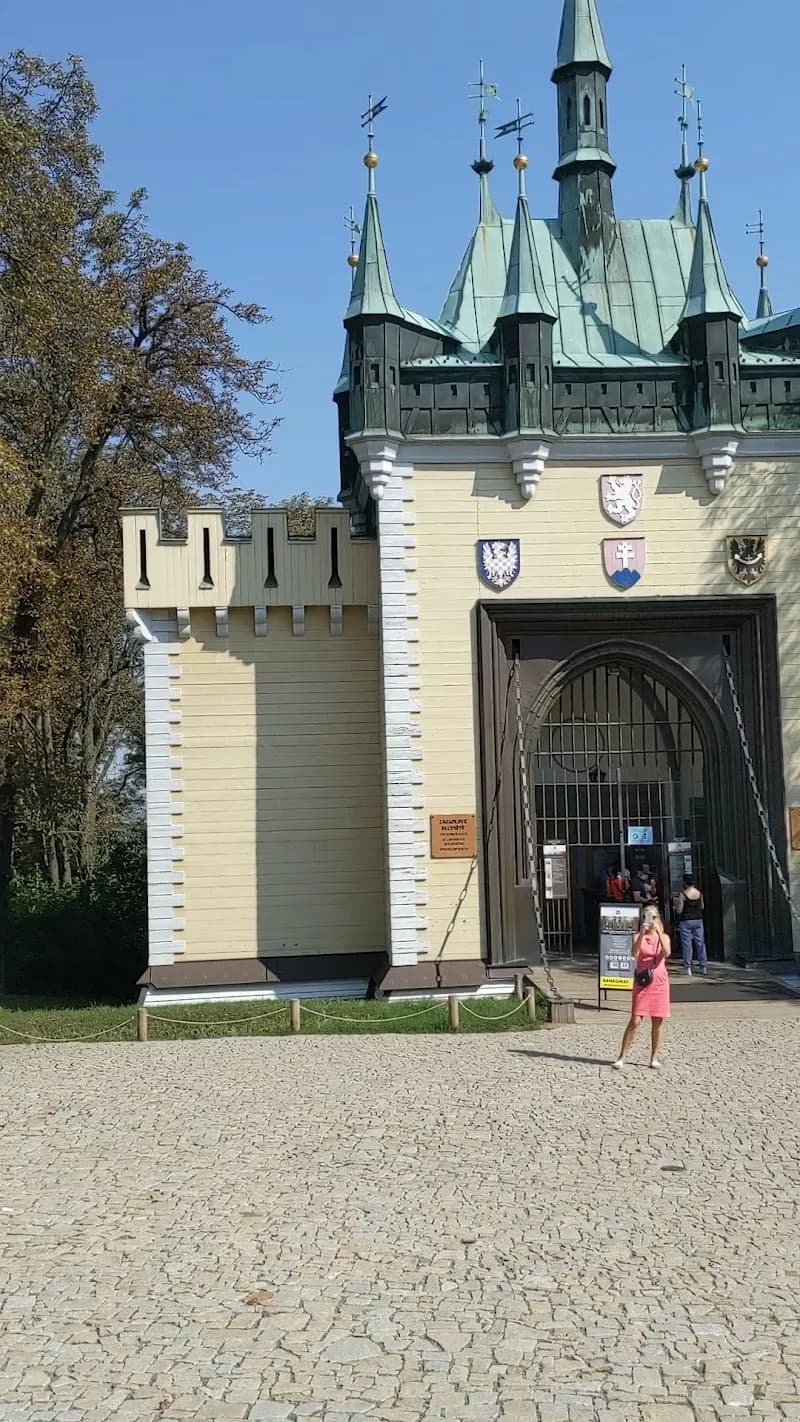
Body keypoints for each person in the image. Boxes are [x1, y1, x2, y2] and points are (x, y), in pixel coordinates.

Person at [613, 907, 672, 1070]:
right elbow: (635, 953)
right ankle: (621, 1056)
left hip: (659, 982)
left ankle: (654, 1057)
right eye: (647, 916)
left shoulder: (664, 937)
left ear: (658, 918)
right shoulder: (638, 936)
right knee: (636, 1020)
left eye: (654, 916)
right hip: (642, 982)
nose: (651, 920)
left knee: (657, 1020)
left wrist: (659, 933)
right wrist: (642, 933)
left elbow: (667, 953)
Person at [675, 874, 707, 977]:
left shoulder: (683, 894)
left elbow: (679, 910)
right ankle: (703, 966)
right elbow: (702, 906)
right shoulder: (699, 893)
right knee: (700, 943)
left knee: (687, 944)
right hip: (698, 920)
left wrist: (675, 907)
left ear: (684, 882)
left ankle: (687, 967)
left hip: (686, 921)